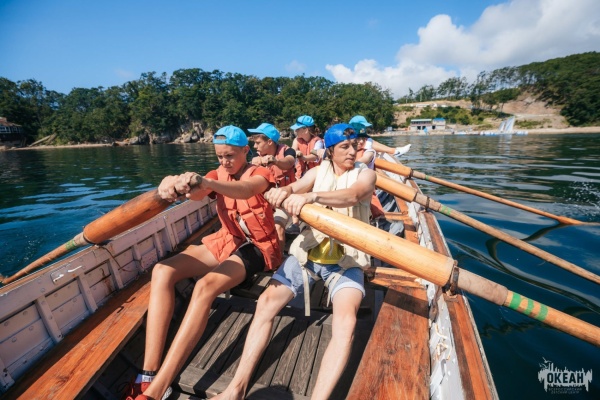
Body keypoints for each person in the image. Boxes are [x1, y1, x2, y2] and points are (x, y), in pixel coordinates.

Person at [214, 123, 376, 400]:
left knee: (346, 322)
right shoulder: (317, 172)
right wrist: (284, 192)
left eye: (355, 145)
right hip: (308, 255)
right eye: (345, 147)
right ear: (330, 151)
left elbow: (354, 195)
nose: (353, 151)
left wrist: (311, 196)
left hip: (346, 261)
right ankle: (235, 390)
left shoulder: (366, 174)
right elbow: (295, 187)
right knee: (265, 303)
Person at [122, 126, 282, 400]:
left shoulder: (260, 173)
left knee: (205, 286)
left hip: (259, 248)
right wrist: (176, 183)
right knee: (162, 270)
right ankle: (148, 375)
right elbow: (196, 193)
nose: (224, 162)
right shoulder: (215, 174)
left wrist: (207, 183)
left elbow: (245, 190)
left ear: (246, 150)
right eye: (219, 156)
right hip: (228, 238)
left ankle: (157, 390)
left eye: (230, 155)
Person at [248, 122, 296, 253]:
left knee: (278, 227)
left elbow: (289, 162)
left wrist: (276, 161)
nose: (255, 146)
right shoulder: (256, 157)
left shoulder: (288, 151)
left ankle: (279, 260)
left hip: (285, 202)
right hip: (266, 202)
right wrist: (253, 164)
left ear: (269, 142)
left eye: (258, 143)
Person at [290, 115, 324, 179]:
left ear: (306, 130)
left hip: (315, 176)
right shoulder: (296, 140)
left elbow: (314, 157)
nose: (295, 131)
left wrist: (303, 157)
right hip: (301, 175)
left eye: (297, 129)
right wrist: (295, 152)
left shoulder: (318, 141)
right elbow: (292, 151)